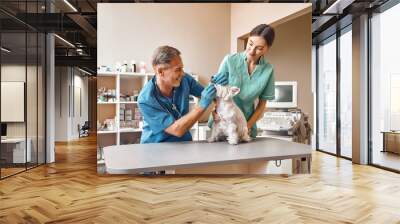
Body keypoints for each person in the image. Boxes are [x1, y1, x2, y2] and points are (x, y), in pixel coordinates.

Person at [138, 45, 228, 143]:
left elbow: (209, 95)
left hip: (183, 142)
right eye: (178, 69)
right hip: (156, 146)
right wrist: (201, 105)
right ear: (160, 72)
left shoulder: (185, 80)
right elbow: (176, 130)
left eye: (182, 68)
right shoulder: (146, 100)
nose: (183, 73)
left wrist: (215, 86)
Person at [210, 24, 276, 138]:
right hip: (223, 121)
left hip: (246, 123)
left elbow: (262, 105)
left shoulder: (268, 70)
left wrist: (246, 127)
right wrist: (215, 111)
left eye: (259, 48)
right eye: (250, 44)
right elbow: (216, 91)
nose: (252, 51)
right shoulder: (230, 61)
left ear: (267, 48)